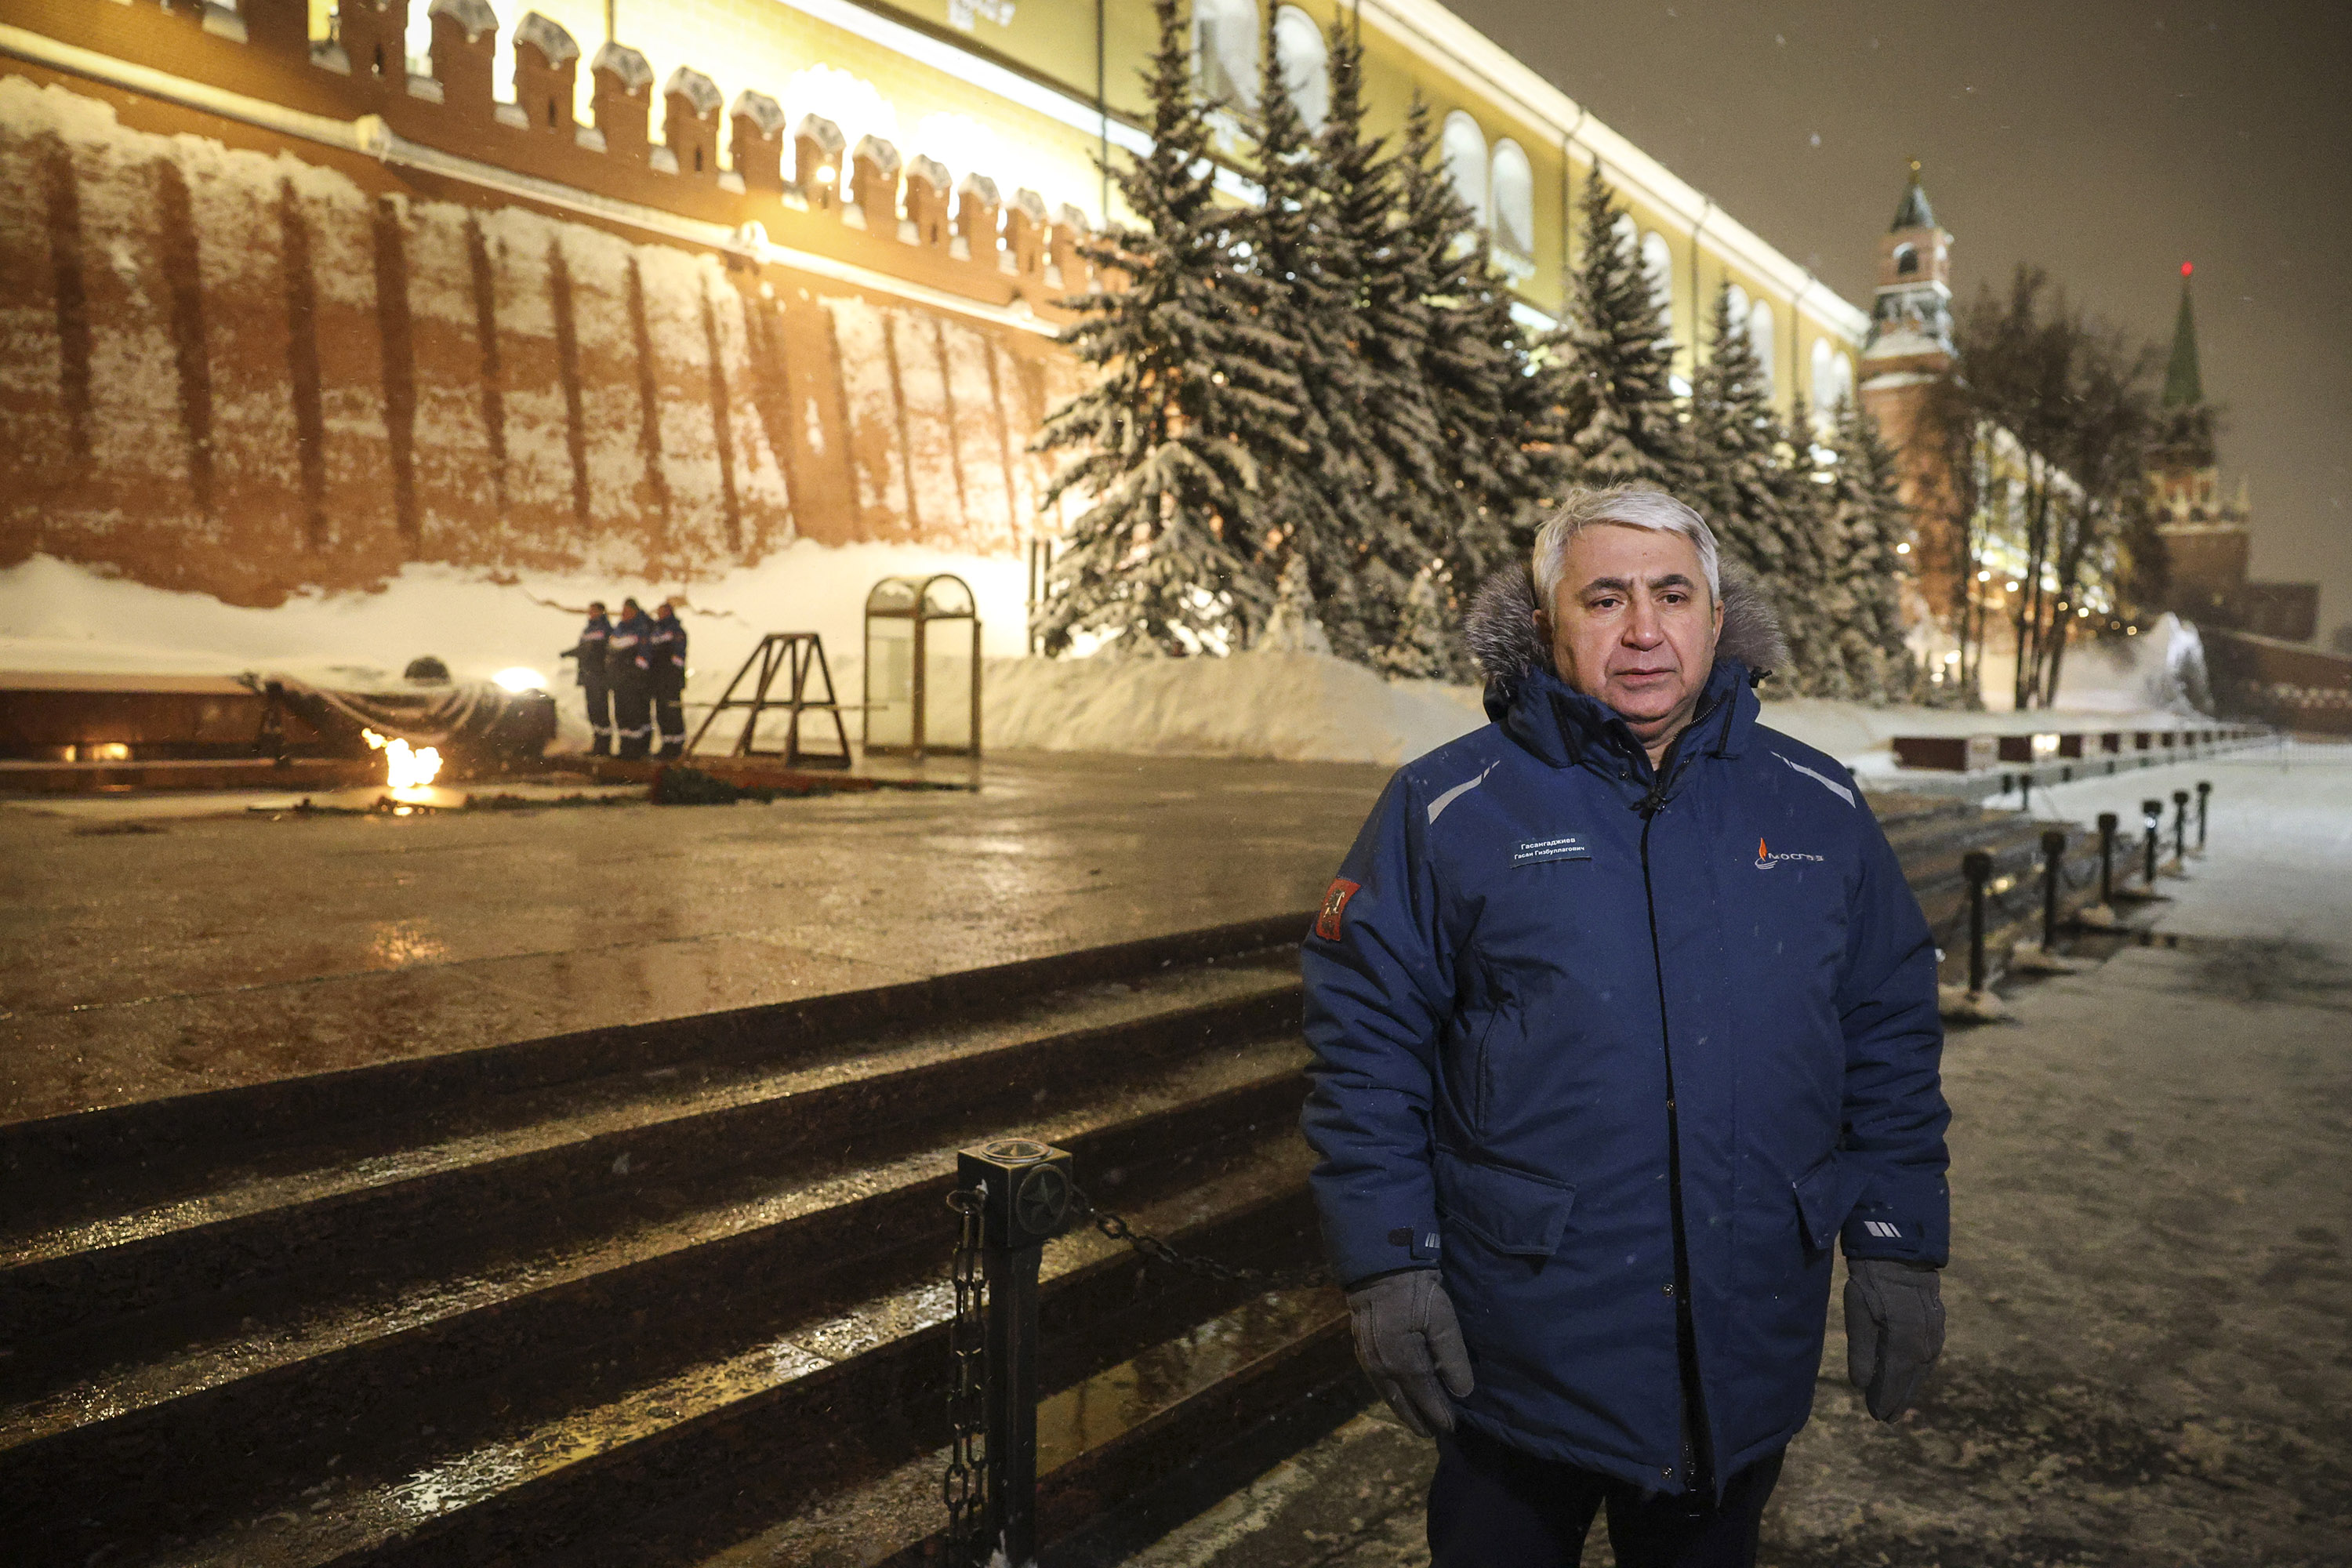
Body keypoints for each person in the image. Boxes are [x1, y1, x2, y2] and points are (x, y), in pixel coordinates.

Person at [1301, 486, 1949, 1568]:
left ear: (1716, 617)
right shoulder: (1448, 806)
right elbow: (1366, 1050)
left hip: (1740, 1345)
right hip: (1518, 1352)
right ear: (1548, 624)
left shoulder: (1815, 802)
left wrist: (1898, 1239)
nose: (1643, 630)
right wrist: (1389, 1264)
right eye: (1604, 599)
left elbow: (1887, 1033)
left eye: (1672, 595)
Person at [561, 601, 614, 755]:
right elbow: (583, 649)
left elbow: (591, 650)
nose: (590, 614)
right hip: (588, 676)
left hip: (599, 676)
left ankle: (604, 746)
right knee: (593, 712)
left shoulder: (605, 629)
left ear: (601, 612)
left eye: (593, 611)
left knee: (600, 711)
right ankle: (597, 743)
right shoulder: (588, 630)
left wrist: (570, 653)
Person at [608, 597, 655, 760]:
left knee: (635, 715)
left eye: (627, 611)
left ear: (634, 611)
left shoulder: (642, 628)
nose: (624, 614)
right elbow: (612, 647)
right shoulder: (620, 628)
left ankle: (637, 749)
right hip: (620, 680)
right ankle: (625, 748)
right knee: (622, 714)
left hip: (634, 682)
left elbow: (644, 656)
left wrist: (634, 673)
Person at [648, 601, 688, 758]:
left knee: (672, 713)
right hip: (658, 680)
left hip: (670, 681)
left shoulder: (676, 631)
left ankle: (676, 747)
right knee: (661, 713)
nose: (659, 615)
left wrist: (672, 676)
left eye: (662, 612)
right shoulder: (656, 631)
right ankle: (666, 745)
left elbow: (678, 657)